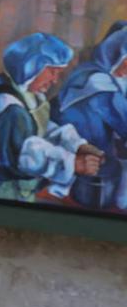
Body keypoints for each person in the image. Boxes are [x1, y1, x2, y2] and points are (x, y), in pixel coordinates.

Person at [0, 32, 103, 202]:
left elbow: (40, 128)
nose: (55, 80)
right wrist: (72, 163)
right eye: (52, 72)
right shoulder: (8, 105)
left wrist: (76, 145)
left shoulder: (27, 94)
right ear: (30, 67)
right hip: (1, 193)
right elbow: (25, 153)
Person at [56, 25, 127, 209]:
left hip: (74, 146)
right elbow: (123, 120)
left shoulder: (90, 70)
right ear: (116, 54)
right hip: (78, 152)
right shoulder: (99, 83)